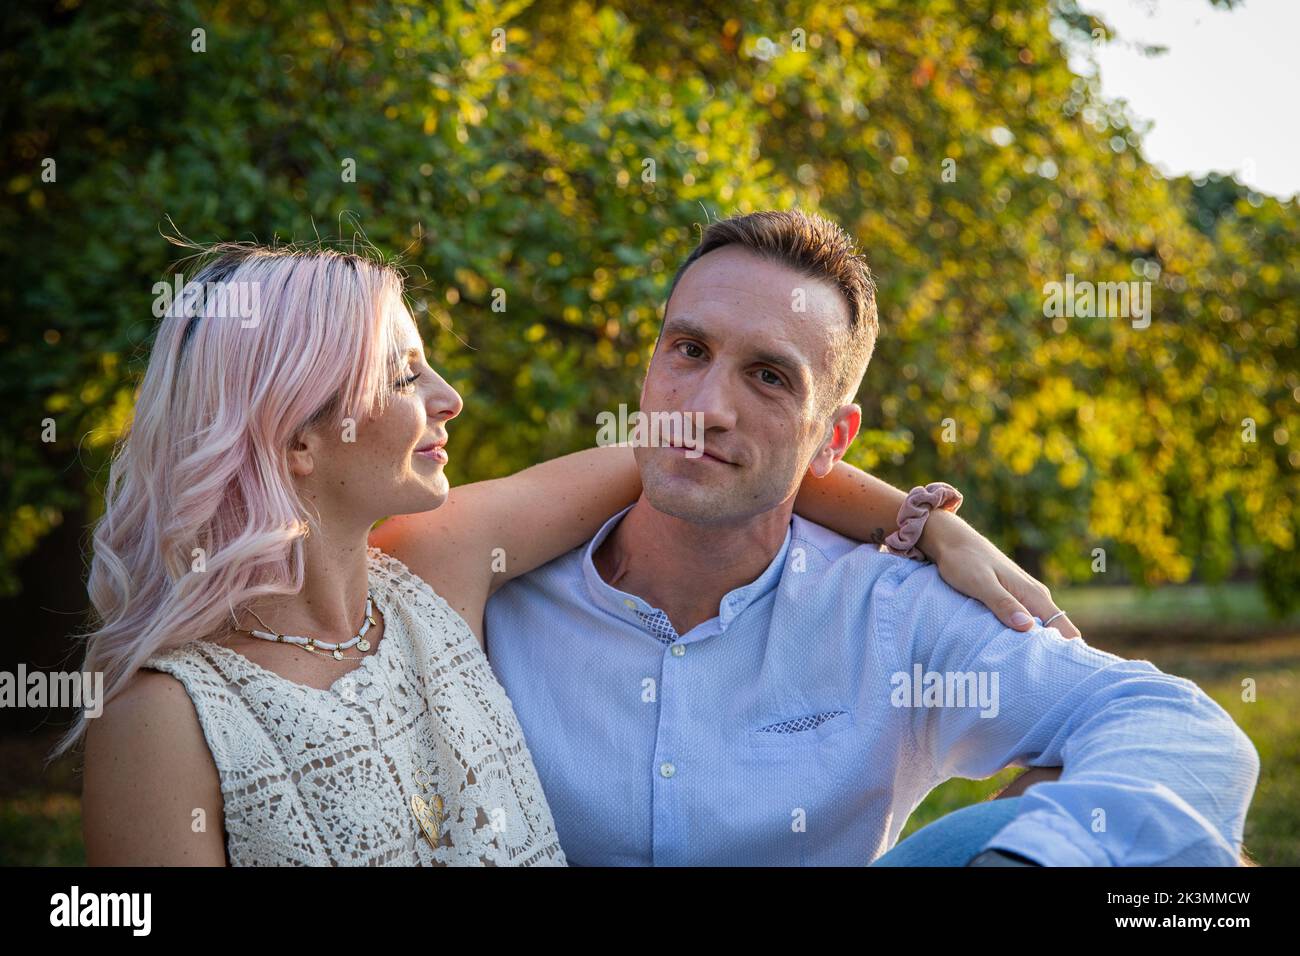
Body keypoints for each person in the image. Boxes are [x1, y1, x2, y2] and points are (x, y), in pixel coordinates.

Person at [73, 237, 1065, 865]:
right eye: (405, 372)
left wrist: (929, 522)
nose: (449, 396)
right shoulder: (164, 720)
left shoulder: (432, 572)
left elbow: (705, 450)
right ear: (297, 436)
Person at [452, 209, 1261, 866]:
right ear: (651, 363)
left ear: (834, 439)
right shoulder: (499, 595)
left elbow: (1177, 726)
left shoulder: (891, 614)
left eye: (769, 376)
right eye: (689, 350)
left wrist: (1031, 855)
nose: (706, 406)